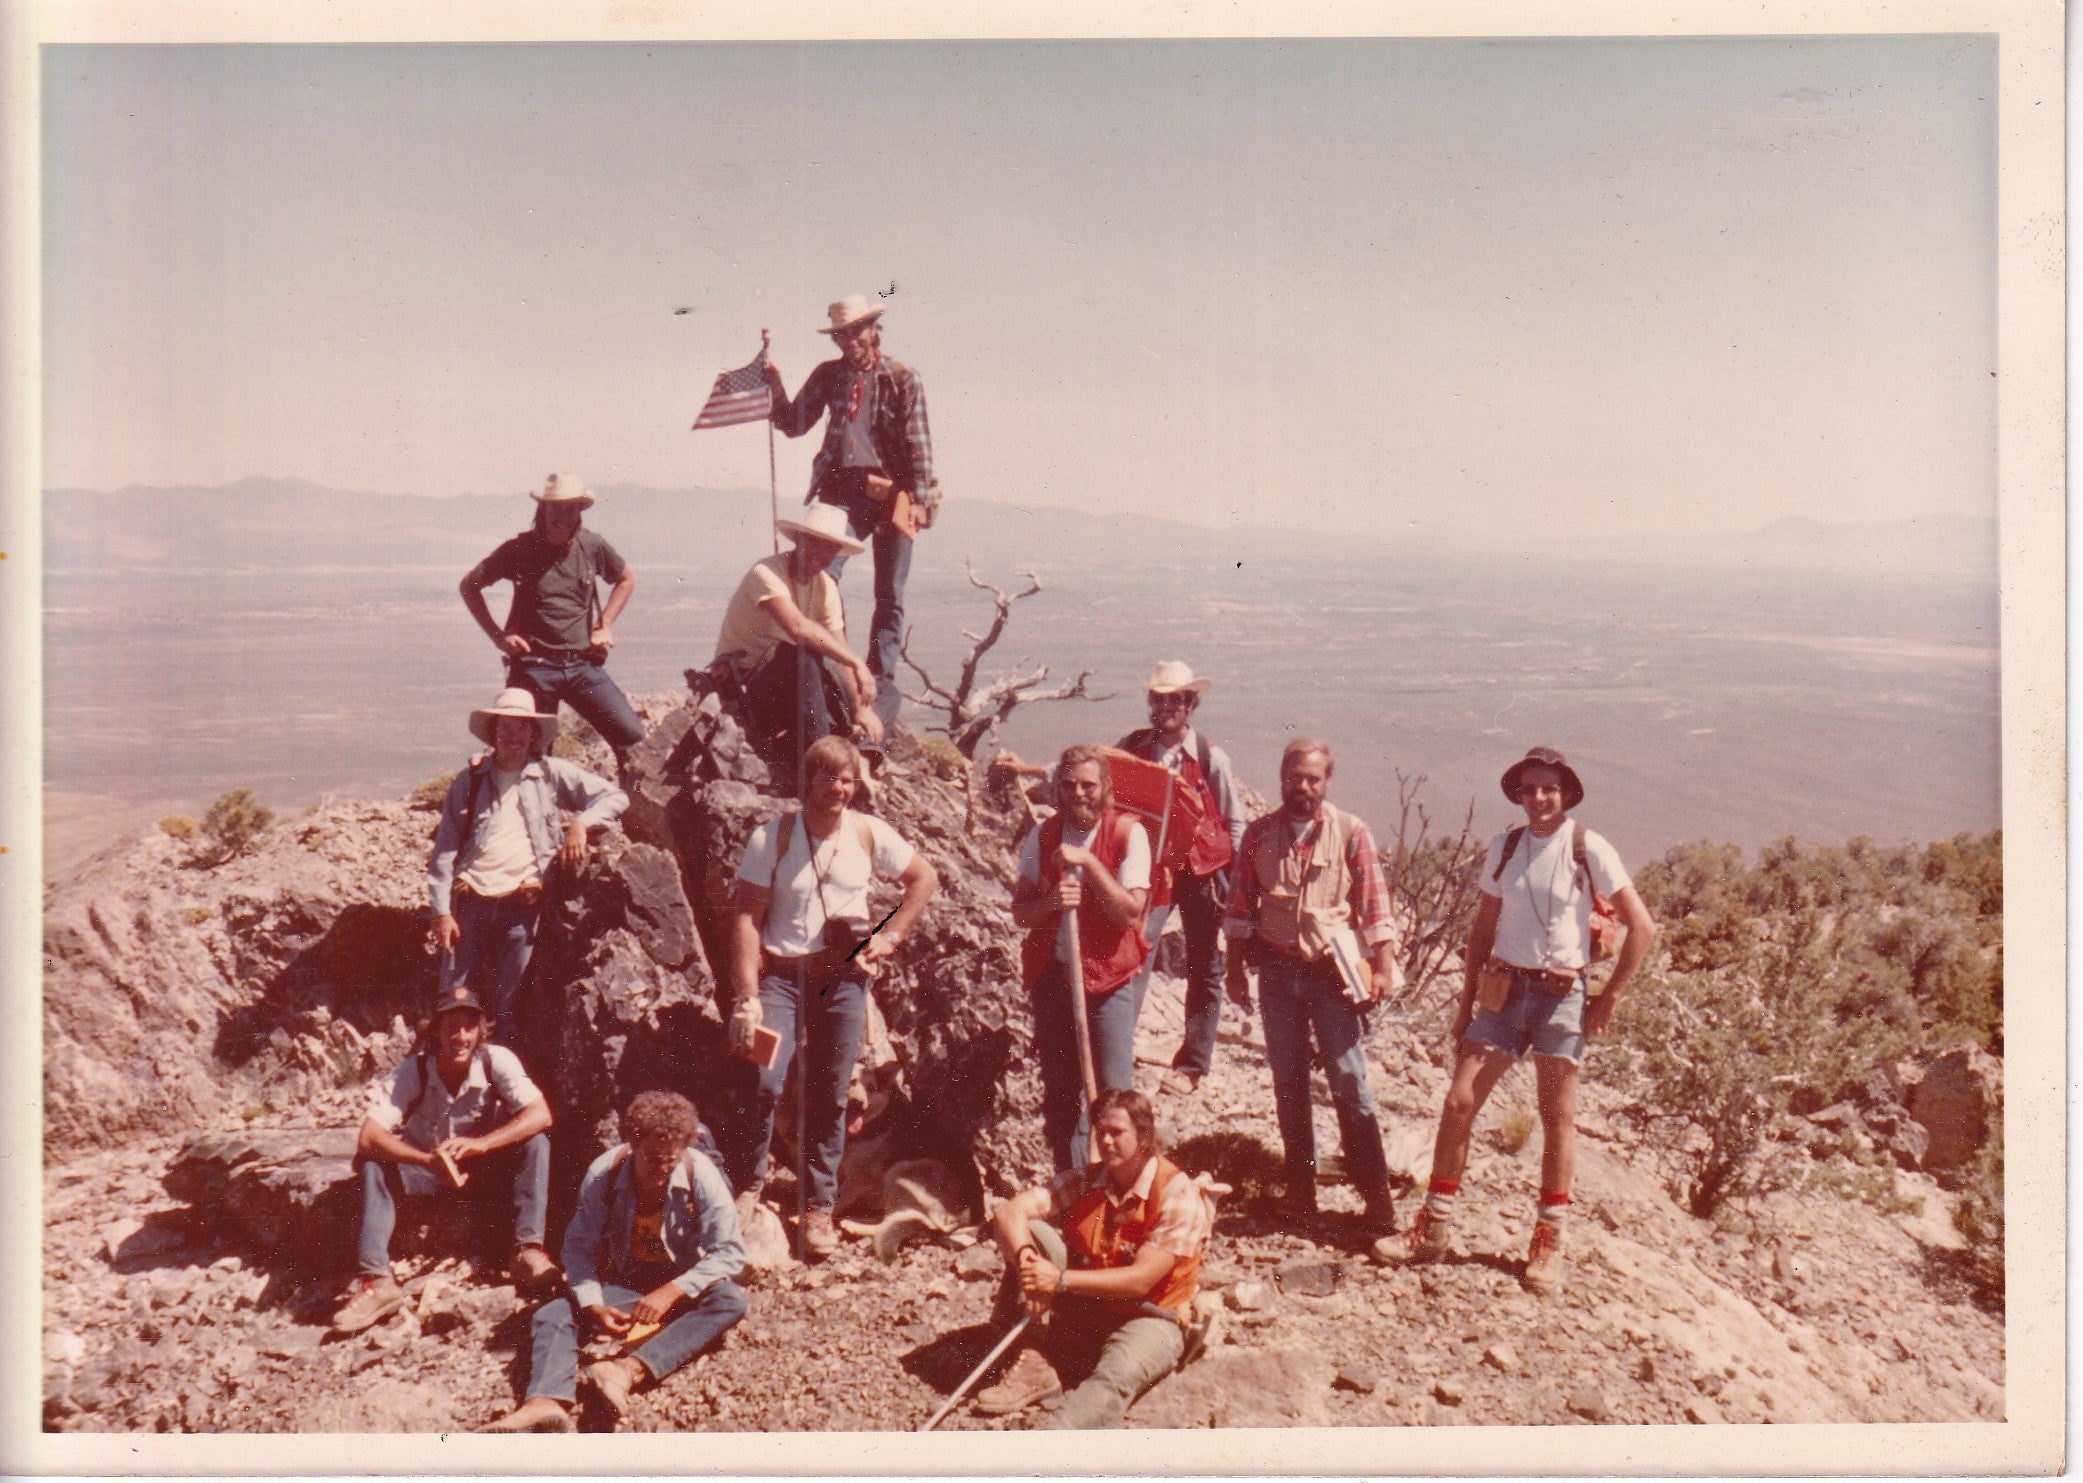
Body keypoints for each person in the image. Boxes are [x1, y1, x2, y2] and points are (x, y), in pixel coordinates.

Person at [1374, 746, 1656, 1294]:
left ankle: (1548, 1240)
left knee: (1557, 1117)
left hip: (1560, 997)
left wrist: (1609, 997)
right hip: (1503, 993)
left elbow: (1641, 926)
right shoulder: (1505, 846)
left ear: (1566, 793)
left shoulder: (1587, 847)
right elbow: (1483, 925)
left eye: (1548, 788)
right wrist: (1464, 1004)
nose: (1538, 798)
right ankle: (1432, 1227)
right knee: (1459, 1102)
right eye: (1529, 789)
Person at [723, 735, 938, 1257]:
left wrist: (889, 936)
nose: (839, 789)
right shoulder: (771, 839)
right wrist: (747, 994)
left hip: (843, 980)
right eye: (829, 778)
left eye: (848, 780)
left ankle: (818, 1209)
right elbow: (746, 917)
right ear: (807, 781)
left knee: (831, 1092)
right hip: (779, 980)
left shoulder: (867, 833)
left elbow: (922, 878)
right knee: (761, 1078)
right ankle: (747, 1185)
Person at [992, 662, 1245, 1097]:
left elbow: (1234, 821)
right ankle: (1117, 1045)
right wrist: (1030, 770)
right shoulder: (1133, 746)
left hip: (1202, 871)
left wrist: (1237, 883)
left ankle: (1193, 1062)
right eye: (1159, 697)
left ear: (1190, 704)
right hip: (1154, 868)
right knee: (1136, 948)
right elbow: (1082, 772)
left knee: (1205, 965)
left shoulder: (1208, 756)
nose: (1166, 706)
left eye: (1175, 699)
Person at [482, 1091, 748, 1433]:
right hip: (629, 1279)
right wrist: (593, 1304)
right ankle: (545, 1403)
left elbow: (730, 1251)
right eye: (652, 1159)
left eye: (671, 1160)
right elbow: (578, 1247)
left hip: (682, 1281)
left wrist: (672, 1290)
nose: (663, 1169)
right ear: (632, 1143)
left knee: (730, 1300)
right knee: (554, 1313)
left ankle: (626, 1370)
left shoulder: (700, 1173)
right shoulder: (604, 1173)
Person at [1222, 737, 1403, 1237]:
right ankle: (1301, 1192)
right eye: (1295, 776)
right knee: (1288, 1083)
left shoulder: (1350, 831)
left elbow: (1375, 905)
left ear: (1327, 780)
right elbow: (1239, 908)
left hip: (1331, 976)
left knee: (1349, 1081)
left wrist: (1383, 968)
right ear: (1282, 776)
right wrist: (1235, 970)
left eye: (1313, 778)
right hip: (1277, 975)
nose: (1303, 787)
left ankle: (1377, 1202)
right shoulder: (1259, 835)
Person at [973, 1089, 1213, 1428]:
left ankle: (1054, 1444)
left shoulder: (1177, 1193)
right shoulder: (1088, 1179)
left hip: (1151, 1315)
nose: (1106, 1141)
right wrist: (1029, 1261)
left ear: (1144, 1136)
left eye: (1117, 1132)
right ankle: (1035, 1362)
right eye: (1100, 1132)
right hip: (1090, 1306)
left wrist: (1058, 1280)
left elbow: (1141, 1280)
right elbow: (1010, 1212)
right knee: (1035, 1234)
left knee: (1119, 1372)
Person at [761, 294, 937, 743]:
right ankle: (836, 661)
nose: (849, 340)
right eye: (841, 333)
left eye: (855, 330)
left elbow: (919, 442)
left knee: (890, 592)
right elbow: (793, 422)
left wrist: (919, 497)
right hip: (842, 487)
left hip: (892, 490)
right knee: (827, 573)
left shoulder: (901, 377)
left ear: (873, 328)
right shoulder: (829, 375)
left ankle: (882, 679)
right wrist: (776, 385)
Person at [333, 983, 557, 1334]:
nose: (461, 1036)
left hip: (484, 1167)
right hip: (427, 1170)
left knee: (537, 1143)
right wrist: (425, 1160)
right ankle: (376, 1281)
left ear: (481, 1031)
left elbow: (540, 1114)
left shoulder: (496, 1060)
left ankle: (528, 1250)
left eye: (469, 1027)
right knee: (372, 1164)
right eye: (451, 1027)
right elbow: (369, 1137)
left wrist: (483, 1144)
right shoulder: (413, 1071)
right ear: (436, 1031)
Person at [426, 688, 629, 1048]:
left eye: (522, 728)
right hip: (469, 904)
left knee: (507, 1008)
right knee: (453, 1002)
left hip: (521, 909)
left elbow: (616, 796)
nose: (513, 736)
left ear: (534, 734)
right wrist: (441, 912)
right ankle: (447, 1082)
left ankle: (494, 1087)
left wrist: (581, 823)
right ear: (493, 732)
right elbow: (444, 853)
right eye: (506, 727)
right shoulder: (469, 781)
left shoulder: (551, 775)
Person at [1012, 745, 1152, 1173]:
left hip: (1109, 983)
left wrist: (1090, 864)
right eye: (1069, 785)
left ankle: (1127, 1186)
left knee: (1115, 1096)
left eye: (1089, 785)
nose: (1079, 794)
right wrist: (1052, 901)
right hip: (1055, 980)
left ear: (1105, 789)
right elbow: (1021, 912)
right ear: (1057, 788)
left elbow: (1131, 912)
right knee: (1061, 1092)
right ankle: (1074, 1184)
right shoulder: (1042, 835)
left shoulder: (1130, 833)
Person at [459, 473, 646, 768]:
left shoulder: (592, 546)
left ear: (579, 511)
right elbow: (469, 586)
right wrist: (498, 637)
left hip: (582, 666)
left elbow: (626, 578)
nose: (563, 515)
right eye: (556, 507)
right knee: (530, 756)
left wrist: (605, 624)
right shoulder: (519, 549)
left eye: (570, 508)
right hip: (534, 667)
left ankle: (631, 811)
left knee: (632, 737)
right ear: (542, 509)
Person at [711, 503, 885, 775]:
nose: (820, 553)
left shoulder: (826, 586)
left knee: (856, 682)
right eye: (814, 543)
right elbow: (798, 628)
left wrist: (861, 708)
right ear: (799, 540)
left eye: (829, 548)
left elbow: (839, 646)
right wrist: (859, 664)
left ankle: (856, 747)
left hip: (785, 688)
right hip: (742, 686)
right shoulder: (766, 573)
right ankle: (823, 765)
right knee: (804, 656)